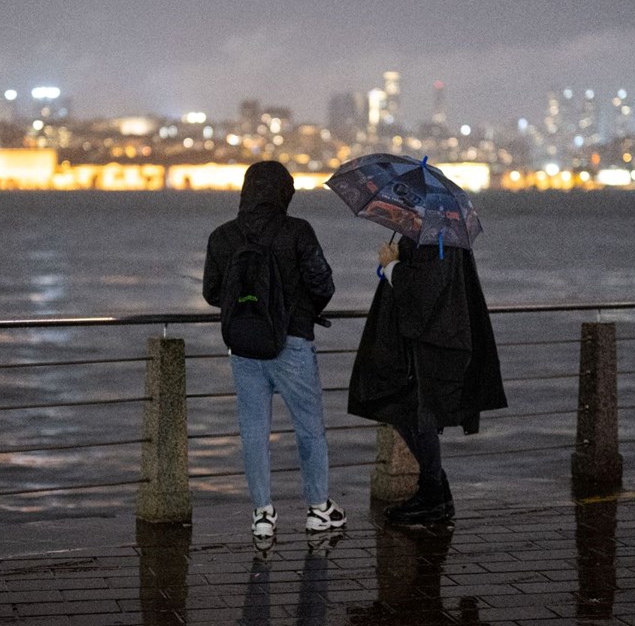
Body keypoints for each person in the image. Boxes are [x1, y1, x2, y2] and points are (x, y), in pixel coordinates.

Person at [203, 161, 345, 541]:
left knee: (253, 431)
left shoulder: (223, 237)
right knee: (309, 428)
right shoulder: (297, 231)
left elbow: (212, 293)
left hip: (244, 345)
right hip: (293, 342)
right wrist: (301, 310)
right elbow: (323, 283)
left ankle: (262, 514)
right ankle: (318, 509)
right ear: (284, 192)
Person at [348, 235, 507, 524]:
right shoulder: (444, 237)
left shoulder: (437, 240)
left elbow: (424, 290)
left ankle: (433, 495)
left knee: (416, 411)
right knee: (413, 410)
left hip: (428, 344)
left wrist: (391, 264)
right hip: (436, 339)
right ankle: (436, 491)